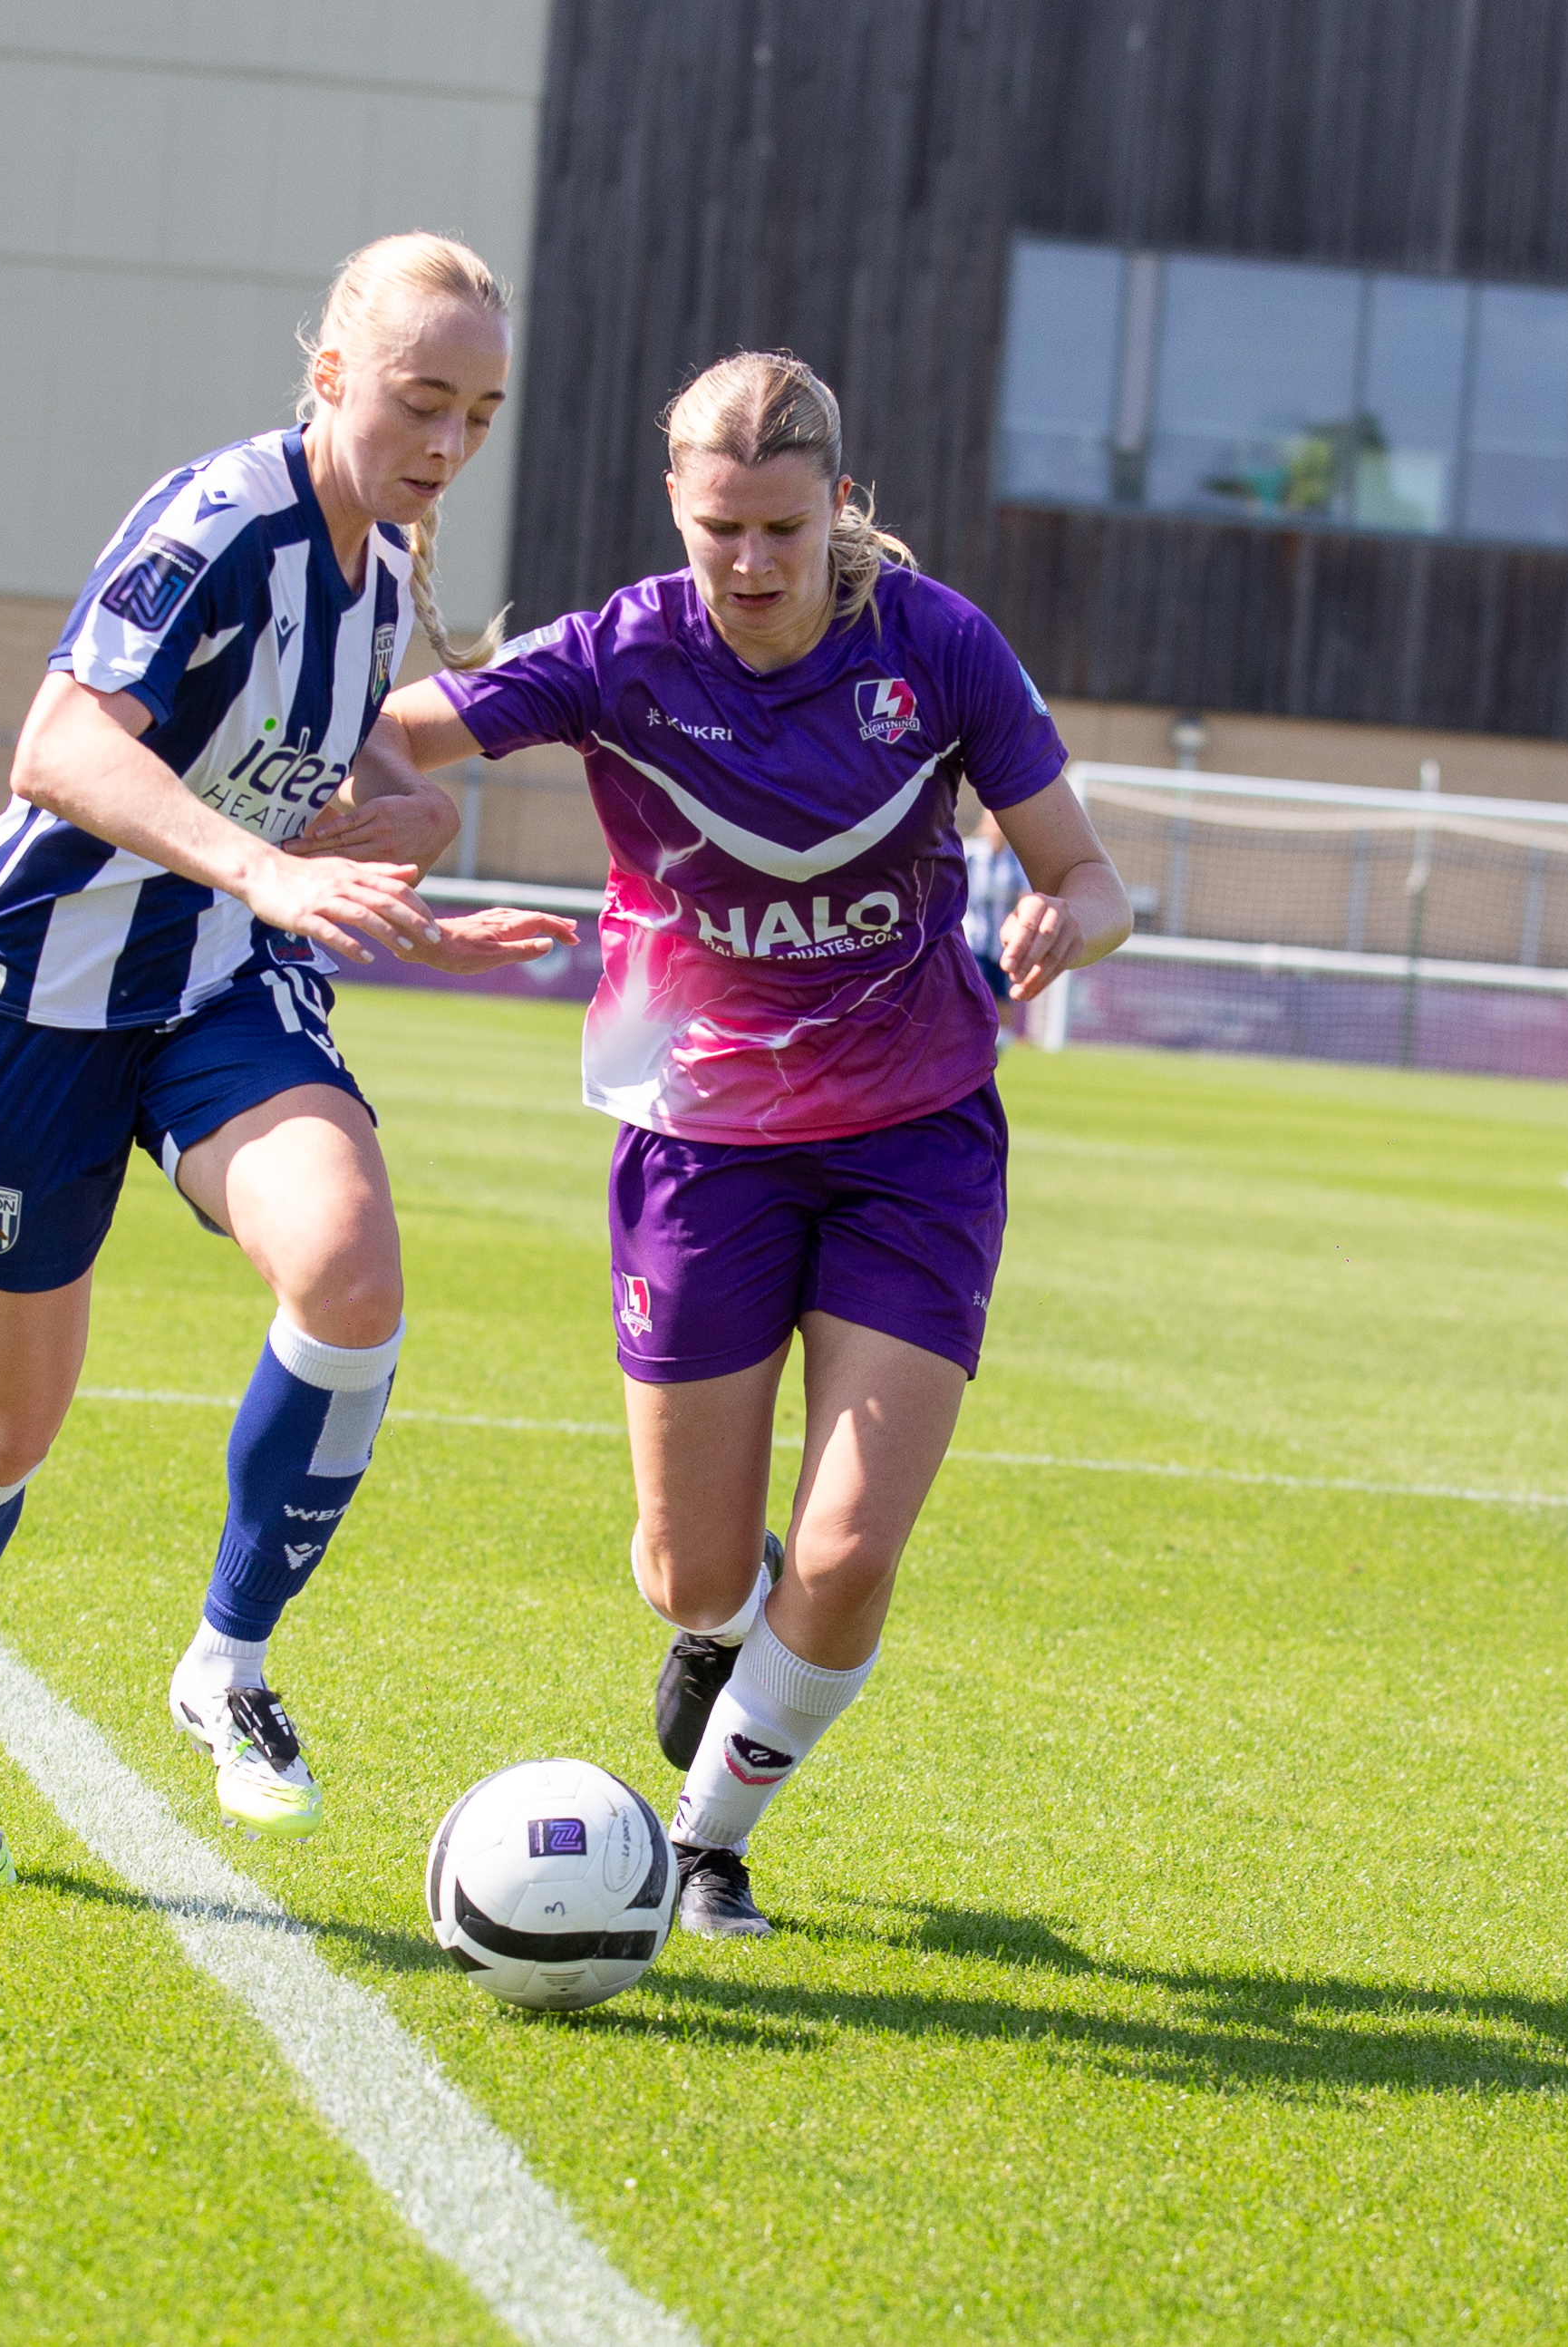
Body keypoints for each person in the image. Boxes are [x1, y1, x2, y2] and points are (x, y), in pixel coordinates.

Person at [380, 350, 1131, 1936]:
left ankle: (701, 1835)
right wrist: (366, 816)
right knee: (689, 1572)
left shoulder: (933, 647)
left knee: (853, 1549)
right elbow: (395, 736)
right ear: (676, 505)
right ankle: (733, 1623)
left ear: (838, 504)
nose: (750, 563)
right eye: (719, 526)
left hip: (914, 1136)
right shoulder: (615, 652)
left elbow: (1087, 867)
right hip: (697, 1143)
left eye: (782, 526)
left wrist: (1073, 912)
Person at [0, 233, 572, 1882]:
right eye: (419, 401)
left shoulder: (384, 567)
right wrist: (263, 863)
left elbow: (352, 764)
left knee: (346, 1263)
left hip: (210, 985)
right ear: (328, 374)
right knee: (3, 1420)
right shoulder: (219, 520)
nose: (447, 444)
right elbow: (57, 746)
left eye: (477, 413)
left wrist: (407, 851)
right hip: (23, 996)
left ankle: (226, 1664)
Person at [963, 805, 1030, 1043]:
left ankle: (999, 1046)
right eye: (993, 823)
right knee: (973, 995)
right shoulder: (969, 854)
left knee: (1003, 998)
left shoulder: (1017, 861)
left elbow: (1027, 896)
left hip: (1002, 944)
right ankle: (969, 1041)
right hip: (972, 940)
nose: (998, 829)